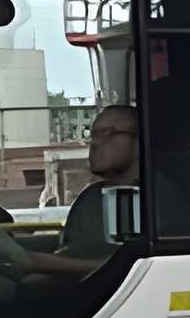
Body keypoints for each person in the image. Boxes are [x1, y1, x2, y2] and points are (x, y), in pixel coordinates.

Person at [57, 105, 140, 258]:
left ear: (139, 138)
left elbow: (123, 265)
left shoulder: (150, 200)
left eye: (108, 133)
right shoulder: (92, 196)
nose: (94, 143)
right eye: (93, 135)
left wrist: (38, 263)